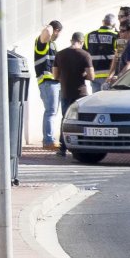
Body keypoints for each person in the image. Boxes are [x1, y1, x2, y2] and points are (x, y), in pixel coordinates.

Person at [52, 32, 94, 158]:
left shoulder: (60, 54)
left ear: (71, 40)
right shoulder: (85, 55)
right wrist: (82, 75)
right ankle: (82, 146)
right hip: (80, 93)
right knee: (82, 119)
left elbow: (55, 75)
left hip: (65, 92)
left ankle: (62, 148)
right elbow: (92, 76)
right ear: (81, 42)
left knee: (65, 119)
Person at [34, 19, 63, 151]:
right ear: (56, 31)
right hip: (47, 82)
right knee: (50, 111)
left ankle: (49, 139)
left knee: (52, 111)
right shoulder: (42, 42)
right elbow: (46, 33)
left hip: (53, 82)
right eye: (58, 33)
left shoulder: (52, 45)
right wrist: (50, 27)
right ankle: (48, 140)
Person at [85, 13, 117, 93]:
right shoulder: (116, 36)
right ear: (114, 25)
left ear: (103, 22)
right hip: (109, 76)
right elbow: (120, 56)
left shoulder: (88, 35)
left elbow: (84, 55)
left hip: (94, 74)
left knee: (96, 101)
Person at [107, 20, 130, 86]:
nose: (120, 33)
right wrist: (110, 75)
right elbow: (116, 58)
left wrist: (119, 76)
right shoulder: (122, 42)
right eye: (119, 30)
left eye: (123, 31)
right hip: (125, 80)